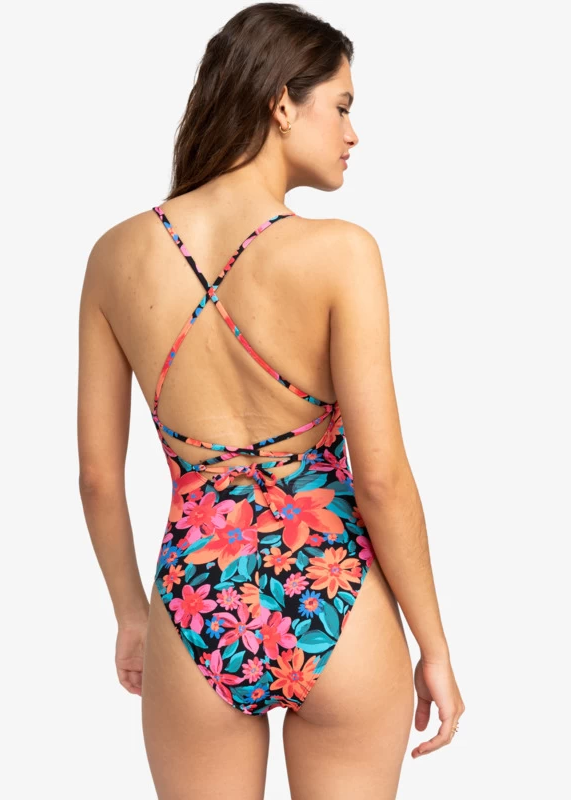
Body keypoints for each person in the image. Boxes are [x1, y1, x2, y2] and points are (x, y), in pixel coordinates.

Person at [77, 3, 464, 798]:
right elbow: (381, 479)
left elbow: (96, 478)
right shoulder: (341, 253)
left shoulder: (115, 256)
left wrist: (132, 616)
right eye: (343, 106)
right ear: (283, 103)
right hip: (336, 598)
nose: (354, 133)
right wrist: (434, 645)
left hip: (196, 601)